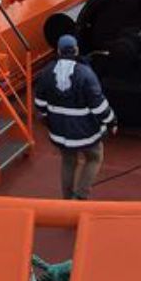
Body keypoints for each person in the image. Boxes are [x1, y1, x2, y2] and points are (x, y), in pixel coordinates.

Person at [34, 35, 115, 199]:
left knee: (68, 160)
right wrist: (111, 121)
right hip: (85, 131)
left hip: (60, 130)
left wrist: (48, 118)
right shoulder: (85, 73)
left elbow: (40, 103)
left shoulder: (46, 72)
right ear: (76, 50)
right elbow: (98, 105)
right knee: (94, 157)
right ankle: (81, 195)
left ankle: (67, 199)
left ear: (58, 51)